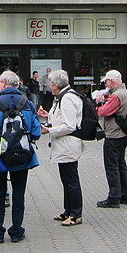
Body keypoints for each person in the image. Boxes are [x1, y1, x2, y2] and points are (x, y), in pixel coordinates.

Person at [0, 70, 41, 243]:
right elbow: (36, 132)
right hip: (22, 156)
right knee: (18, 194)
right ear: (18, 84)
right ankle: (16, 231)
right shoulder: (27, 103)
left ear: (3, 84)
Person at [38, 69, 84, 226]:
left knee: (71, 179)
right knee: (66, 179)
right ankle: (68, 211)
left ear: (56, 85)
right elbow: (61, 118)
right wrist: (48, 117)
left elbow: (69, 125)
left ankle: (76, 214)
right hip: (64, 145)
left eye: (51, 84)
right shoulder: (62, 97)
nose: (50, 87)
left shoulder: (67, 99)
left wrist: (49, 130)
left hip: (68, 144)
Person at [96, 69, 127, 208]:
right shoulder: (126, 93)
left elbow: (104, 112)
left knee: (111, 166)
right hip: (123, 134)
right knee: (121, 164)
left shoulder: (116, 95)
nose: (105, 84)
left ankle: (114, 197)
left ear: (111, 81)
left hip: (114, 135)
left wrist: (99, 103)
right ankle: (125, 194)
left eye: (106, 81)